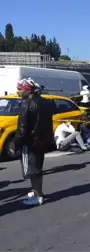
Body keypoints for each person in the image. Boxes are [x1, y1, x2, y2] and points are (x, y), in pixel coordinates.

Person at [9, 78, 54, 206]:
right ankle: (38, 192)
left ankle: (38, 196)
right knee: (38, 169)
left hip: (31, 143)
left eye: (19, 89)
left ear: (27, 90)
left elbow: (22, 129)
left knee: (33, 172)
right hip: (42, 142)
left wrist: (15, 145)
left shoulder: (26, 104)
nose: (17, 92)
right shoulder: (45, 102)